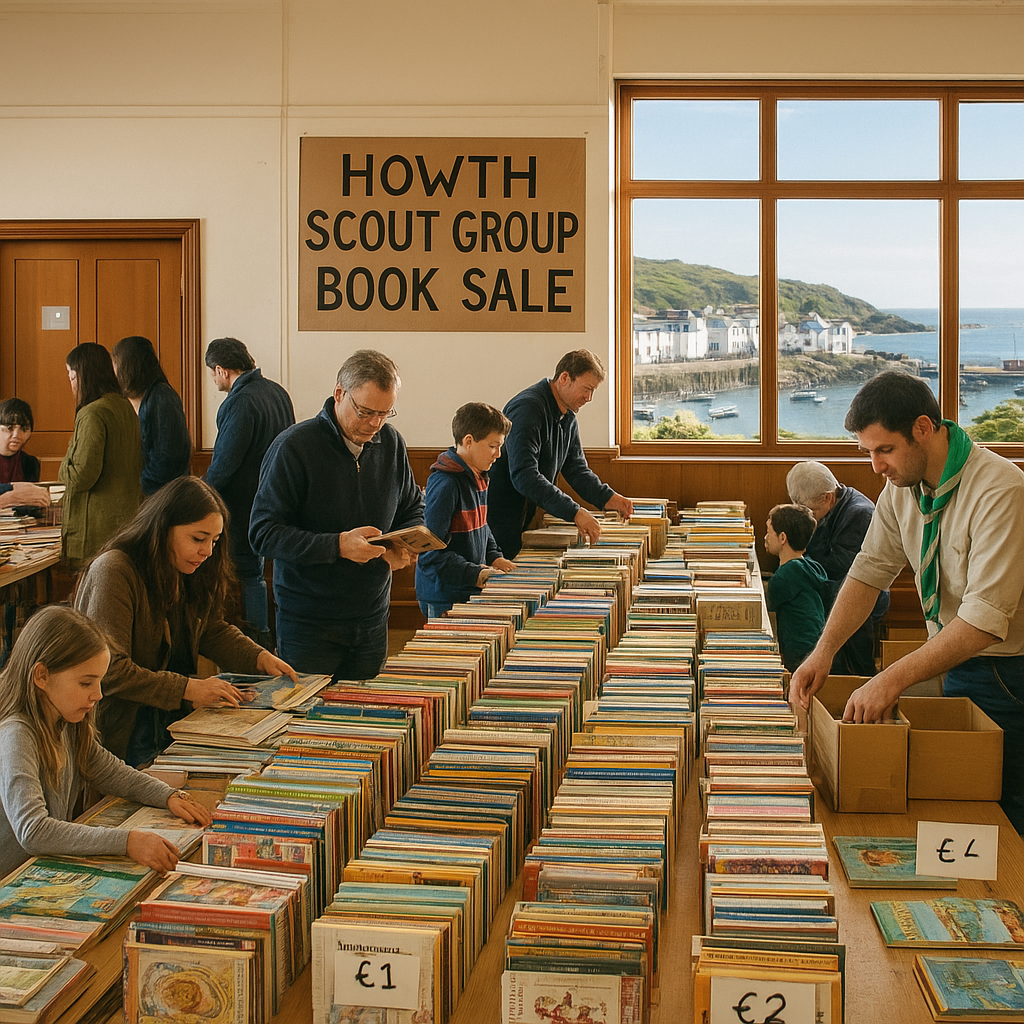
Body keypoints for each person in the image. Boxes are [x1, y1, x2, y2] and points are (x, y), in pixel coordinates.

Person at [789, 370, 1024, 833]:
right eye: (868, 452)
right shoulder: (901, 489)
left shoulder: (1002, 490)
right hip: (950, 659)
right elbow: (868, 572)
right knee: (958, 806)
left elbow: (982, 621)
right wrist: (825, 650)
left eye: (885, 449)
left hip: (1007, 674)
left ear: (922, 428)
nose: (875, 466)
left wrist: (889, 678)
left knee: (1002, 811)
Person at [74, 476, 295, 766]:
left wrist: (258, 657)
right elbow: (110, 670)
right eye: (198, 538)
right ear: (163, 528)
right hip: (122, 732)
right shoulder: (114, 570)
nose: (208, 551)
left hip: (171, 721)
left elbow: (209, 629)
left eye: (215, 541)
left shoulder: (184, 567)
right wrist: (188, 689)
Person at [0, 605, 212, 879]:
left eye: (99, 682)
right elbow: (34, 831)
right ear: (41, 676)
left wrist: (166, 795)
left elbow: (109, 771)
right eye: (86, 683)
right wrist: (126, 841)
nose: (98, 694)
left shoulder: (65, 720)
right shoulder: (17, 733)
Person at [249, 349, 424, 677]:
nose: (375, 424)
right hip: (309, 623)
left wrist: (402, 542)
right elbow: (263, 533)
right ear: (339, 394)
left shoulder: (391, 444)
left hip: (373, 617)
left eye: (385, 413)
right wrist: (338, 546)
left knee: (366, 719)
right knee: (307, 723)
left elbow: (412, 506)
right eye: (366, 412)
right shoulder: (294, 447)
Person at [487, 350, 634, 559]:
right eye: (587, 389)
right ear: (565, 378)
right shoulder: (527, 409)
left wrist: (609, 498)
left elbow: (576, 470)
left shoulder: (568, 416)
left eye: (593, 391)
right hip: (497, 521)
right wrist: (575, 512)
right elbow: (524, 476)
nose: (589, 398)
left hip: (521, 518)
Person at [202, 338, 295, 646]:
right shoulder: (277, 392)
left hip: (242, 507)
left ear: (221, 370)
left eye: (212, 374)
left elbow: (225, 463)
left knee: (248, 576)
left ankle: (257, 642)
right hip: (279, 498)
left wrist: (200, 493)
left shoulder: (239, 402)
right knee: (269, 573)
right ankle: (272, 639)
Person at [787, 460, 890, 676]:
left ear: (828, 497)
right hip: (834, 582)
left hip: (861, 592)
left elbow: (841, 566)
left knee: (802, 595)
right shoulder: (826, 505)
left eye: (809, 510)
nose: (807, 515)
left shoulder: (859, 514)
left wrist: (797, 561)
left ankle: (850, 677)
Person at [416, 402, 517, 619]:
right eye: (493, 446)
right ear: (469, 441)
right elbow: (431, 554)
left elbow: (481, 524)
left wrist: (494, 556)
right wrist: (477, 573)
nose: (498, 454)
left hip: (466, 586)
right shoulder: (446, 484)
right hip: (443, 593)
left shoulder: (478, 475)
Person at [59, 343, 143, 565]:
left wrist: (63, 468)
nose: (71, 384)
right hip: (123, 522)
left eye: (72, 376)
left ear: (84, 375)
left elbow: (82, 476)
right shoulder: (126, 408)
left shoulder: (92, 413)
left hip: (94, 530)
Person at [111, 336, 191, 496]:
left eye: (115, 363)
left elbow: (167, 457)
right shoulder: (145, 397)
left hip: (163, 495)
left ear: (128, 365)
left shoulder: (162, 397)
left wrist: (140, 487)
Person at [764, 503, 828, 673]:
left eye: (769, 532)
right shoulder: (810, 566)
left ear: (783, 538)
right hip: (814, 643)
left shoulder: (785, 575)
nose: (765, 538)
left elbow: (765, 606)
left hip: (797, 650)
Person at [0, 398, 50, 511]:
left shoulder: (30, 463)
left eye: (23, 429)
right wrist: (13, 492)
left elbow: (30, 502)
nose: (16, 435)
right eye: (9, 428)